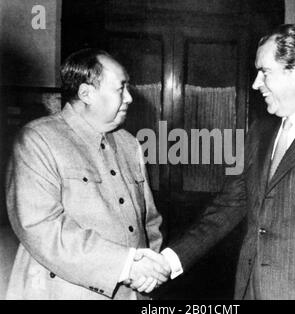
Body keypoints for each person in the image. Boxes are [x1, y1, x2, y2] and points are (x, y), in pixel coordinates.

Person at [138, 24, 295, 299]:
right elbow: (228, 207)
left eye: (264, 72)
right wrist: (168, 261)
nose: (255, 83)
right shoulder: (260, 132)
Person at [5, 48, 171, 300]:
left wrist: (150, 271)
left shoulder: (130, 145)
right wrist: (126, 266)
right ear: (86, 93)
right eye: (120, 88)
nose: (129, 98)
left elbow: (149, 223)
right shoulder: (38, 140)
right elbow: (42, 228)